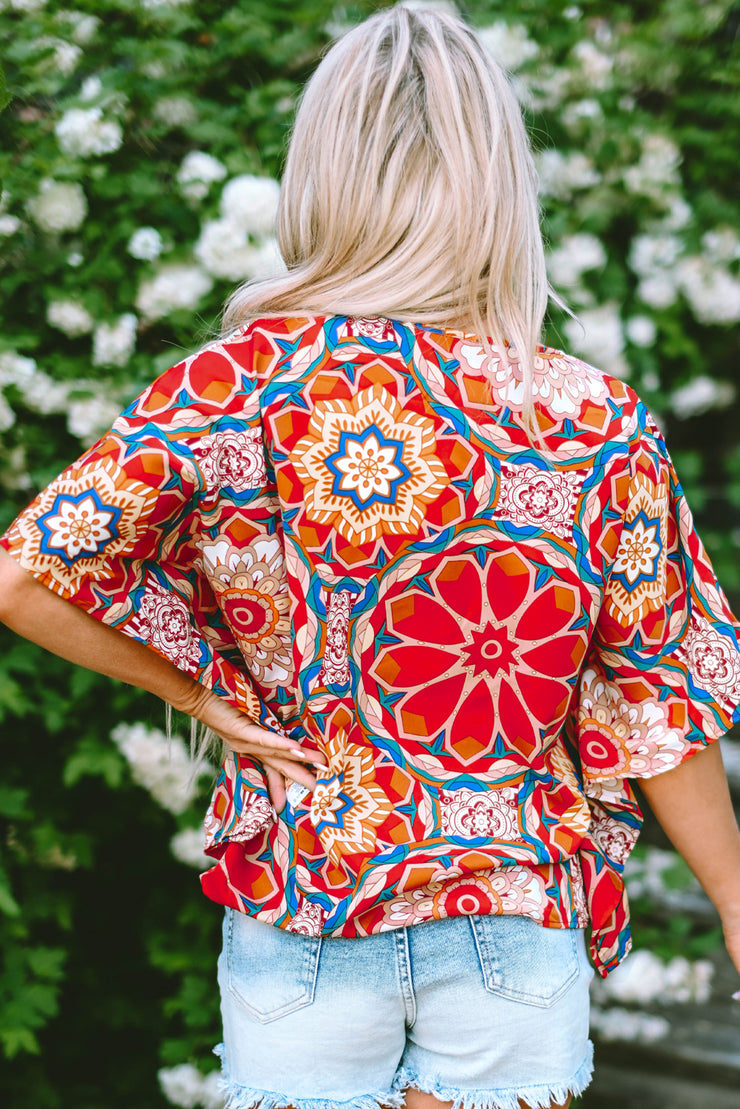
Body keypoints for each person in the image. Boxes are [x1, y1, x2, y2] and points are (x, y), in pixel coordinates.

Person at [1, 5, 739, 1109]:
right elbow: (654, 703)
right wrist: (731, 898)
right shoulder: (588, 417)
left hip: (305, 904)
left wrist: (203, 698)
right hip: (509, 913)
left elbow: (24, 578)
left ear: (322, 171)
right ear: (498, 179)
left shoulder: (232, 388)